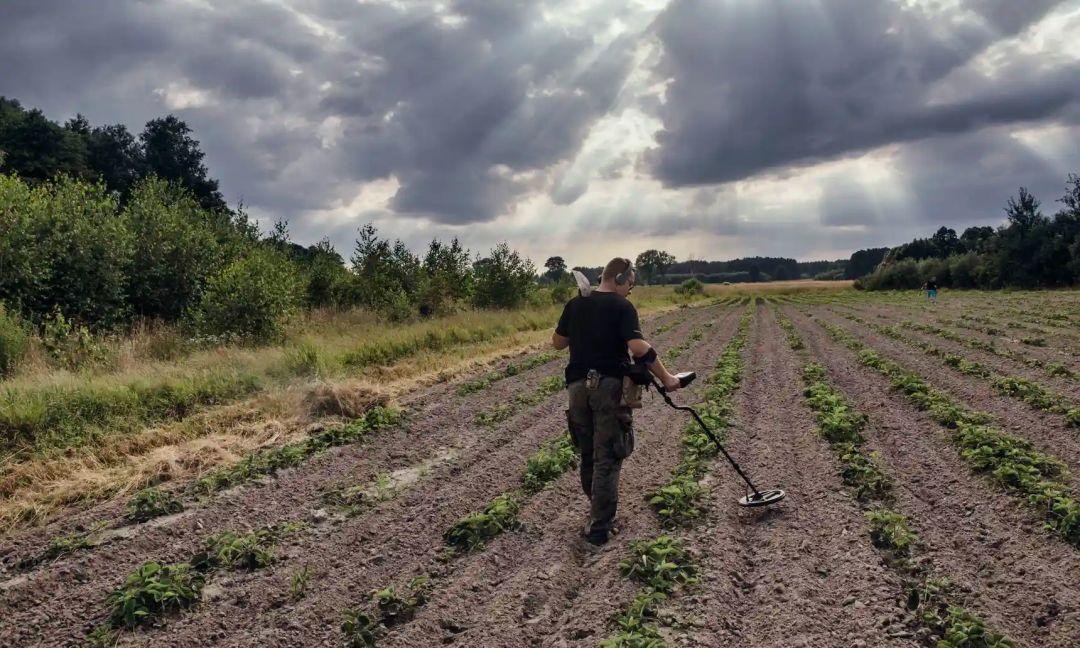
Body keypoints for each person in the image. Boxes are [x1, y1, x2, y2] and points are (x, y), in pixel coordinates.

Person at [551, 257, 684, 549]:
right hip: (608, 389)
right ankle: (599, 529)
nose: (630, 291)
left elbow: (558, 342)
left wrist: (582, 320)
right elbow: (639, 348)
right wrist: (667, 377)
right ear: (621, 279)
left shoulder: (575, 305)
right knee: (608, 456)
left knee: (588, 453)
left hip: (577, 390)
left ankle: (596, 511)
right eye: (630, 286)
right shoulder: (622, 307)